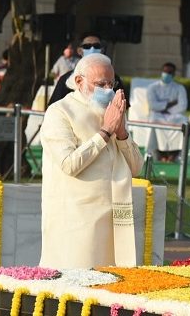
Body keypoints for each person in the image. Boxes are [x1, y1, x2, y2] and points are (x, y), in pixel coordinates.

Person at [39, 53, 143, 269]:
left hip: (115, 218)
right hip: (77, 222)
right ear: (79, 81)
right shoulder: (59, 112)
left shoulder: (113, 112)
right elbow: (69, 164)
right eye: (100, 84)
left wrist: (121, 132)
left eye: (111, 83)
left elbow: (136, 168)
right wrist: (105, 132)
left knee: (113, 287)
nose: (107, 89)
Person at [48, 32, 126, 107]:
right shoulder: (66, 79)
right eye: (87, 46)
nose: (92, 49)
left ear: (102, 50)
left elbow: (123, 107)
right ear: (78, 81)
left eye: (96, 46)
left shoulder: (113, 78)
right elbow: (54, 107)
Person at [147, 62, 188, 162]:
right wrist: (170, 104)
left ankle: (174, 153)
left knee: (183, 121)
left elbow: (182, 106)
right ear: (161, 72)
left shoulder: (179, 88)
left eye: (169, 72)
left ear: (173, 74)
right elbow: (153, 105)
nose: (167, 74)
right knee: (154, 120)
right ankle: (159, 153)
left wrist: (165, 109)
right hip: (157, 115)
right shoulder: (152, 87)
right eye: (165, 71)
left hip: (174, 115)